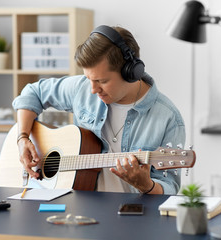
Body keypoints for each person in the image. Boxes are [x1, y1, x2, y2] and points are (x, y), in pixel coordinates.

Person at [12, 25, 185, 194]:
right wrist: (22, 138)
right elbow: (32, 93)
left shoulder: (168, 118)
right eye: (89, 79)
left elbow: (169, 187)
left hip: (133, 217)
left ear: (131, 73)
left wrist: (147, 186)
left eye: (101, 81)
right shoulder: (82, 88)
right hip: (79, 210)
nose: (93, 90)